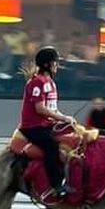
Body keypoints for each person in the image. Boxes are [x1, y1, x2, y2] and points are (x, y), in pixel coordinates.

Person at [18, 46, 76, 197]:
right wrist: (62, 118)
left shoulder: (50, 82)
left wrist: (67, 119)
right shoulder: (37, 82)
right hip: (33, 127)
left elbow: (53, 109)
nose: (57, 65)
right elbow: (40, 109)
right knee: (52, 147)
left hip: (46, 124)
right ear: (46, 65)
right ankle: (55, 185)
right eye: (54, 62)